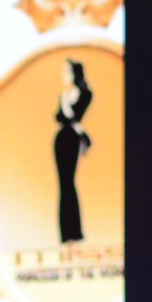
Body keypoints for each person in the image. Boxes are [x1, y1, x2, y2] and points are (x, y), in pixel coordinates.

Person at [54, 58, 93, 244]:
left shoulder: (84, 93)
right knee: (64, 184)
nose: (64, 75)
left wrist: (66, 101)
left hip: (72, 138)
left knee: (70, 182)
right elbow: (59, 117)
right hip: (61, 139)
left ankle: (74, 231)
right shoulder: (65, 94)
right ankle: (66, 232)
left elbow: (73, 116)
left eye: (66, 71)